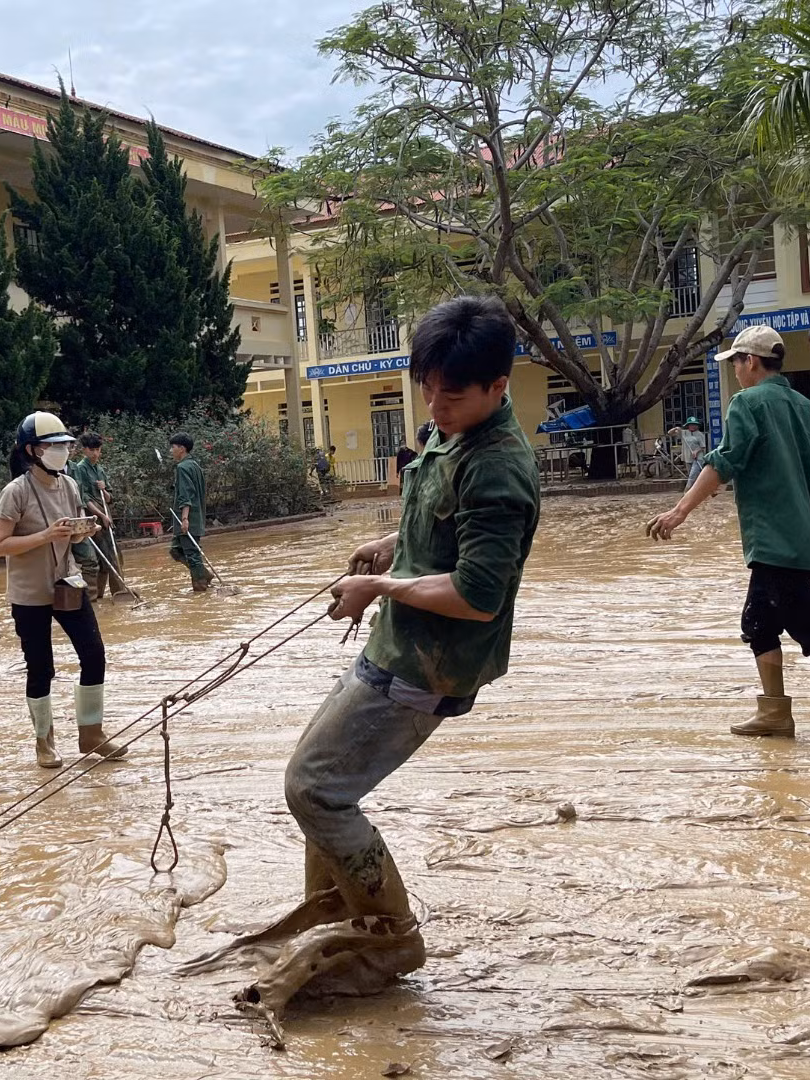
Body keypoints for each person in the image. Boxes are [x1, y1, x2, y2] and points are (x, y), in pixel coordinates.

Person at [236, 296, 539, 1019]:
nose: (434, 403)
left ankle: (390, 941)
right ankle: (334, 912)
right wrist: (387, 552)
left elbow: (476, 596)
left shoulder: (498, 469)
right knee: (320, 778)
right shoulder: (450, 434)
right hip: (400, 644)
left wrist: (380, 583)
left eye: (453, 392)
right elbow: (432, 534)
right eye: (424, 385)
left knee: (317, 790)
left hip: (429, 664)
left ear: (499, 386)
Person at [648, 326, 810, 743]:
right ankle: (775, 714)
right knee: (759, 622)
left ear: (750, 361)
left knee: (807, 626)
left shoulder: (747, 403)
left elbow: (724, 462)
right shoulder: (807, 408)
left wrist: (679, 511)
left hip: (772, 540)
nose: (736, 374)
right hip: (799, 539)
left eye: (736, 364)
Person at [0, 411, 123, 768]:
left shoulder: (69, 485)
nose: (62, 452)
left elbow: (69, 532)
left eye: (65, 445)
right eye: (53, 446)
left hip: (67, 581)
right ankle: (43, 741)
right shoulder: (15, 492)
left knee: (94, 654)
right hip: (29, 592)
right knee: (41, 667)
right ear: (32, 450)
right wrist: (45, 536)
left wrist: (82, 531)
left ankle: (91, 734)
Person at [69, 433, 118, 599]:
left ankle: (99, 595)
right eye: (92, 450)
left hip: (105, 514)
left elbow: (110, 498)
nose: (95, 453)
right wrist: (101, 515)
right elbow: (85, 498)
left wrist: (103, 489)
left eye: (98, 450)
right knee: (107, 556)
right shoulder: (80, 468)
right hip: (93, 516)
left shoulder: (100, 469)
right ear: (85, 450)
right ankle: (116, 592)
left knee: (108, 556)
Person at [168, 432, 214, 591]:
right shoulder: (195, 465)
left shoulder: (182, 467)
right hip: (195, 516)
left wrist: (185, 518)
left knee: (192, 555)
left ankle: (200, 586)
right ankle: (204, 574)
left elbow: (186, 495)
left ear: (182, 448)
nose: (171, 451)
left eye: (173, 447)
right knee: (176, 550)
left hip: (188, 519)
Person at [667, 417, 708, 488]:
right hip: (687, 458)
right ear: (688, 425)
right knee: (693, 476)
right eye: (691, 424)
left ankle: (686, 492)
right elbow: (669, 433)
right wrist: (676, 428)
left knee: (692, 476)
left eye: (694, 425)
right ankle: (698, 490)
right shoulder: (684, 433)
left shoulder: (700, 434)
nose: (693, 426)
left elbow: (703, 447)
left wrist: (696, 451)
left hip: (698, 458)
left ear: (697, 426)